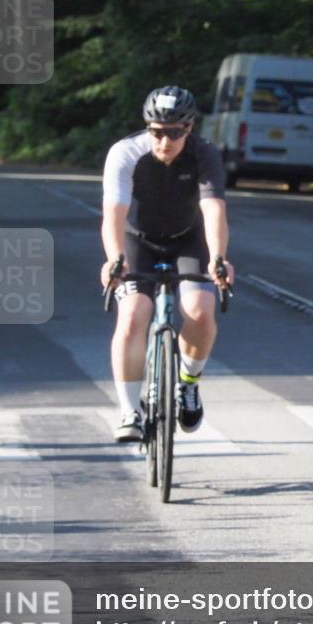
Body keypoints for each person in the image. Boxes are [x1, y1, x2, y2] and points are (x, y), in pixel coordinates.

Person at [100, 86, 234, 442]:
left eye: (174, 132)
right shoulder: (125, 153)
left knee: (200, 310)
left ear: (189, 128)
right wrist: (114, 258)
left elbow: (213, 210)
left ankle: (187, 384)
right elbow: (113, 213)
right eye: (156, 131)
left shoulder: (204, 155)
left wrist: (219, 256)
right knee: (132, 315)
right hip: (137, 240)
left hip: (187, 239)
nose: (165, 141)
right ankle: (130, 410)